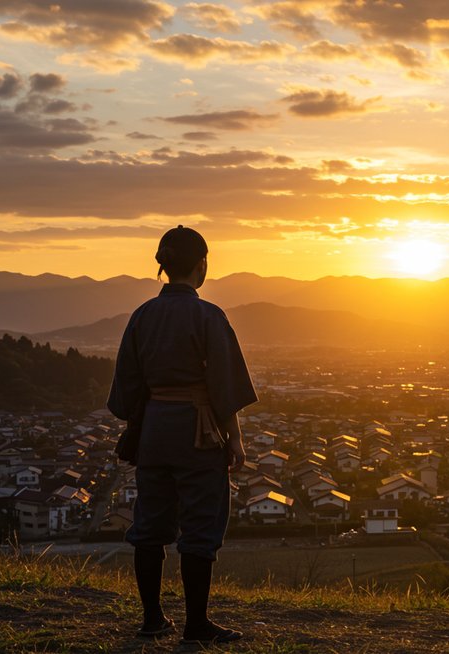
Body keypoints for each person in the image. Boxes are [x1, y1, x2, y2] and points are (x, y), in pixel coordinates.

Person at [107, 225, 258, 645]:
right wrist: (235, 439)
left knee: (150, 524)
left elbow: (123, 394)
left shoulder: (141, 317)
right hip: (199, 433)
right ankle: (196, 624)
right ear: (202, 265)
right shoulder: (209, 316)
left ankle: (152, 619)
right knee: (200, 525)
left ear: (164, 266)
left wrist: (149, 415)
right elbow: (224, 389)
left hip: (153, 431)